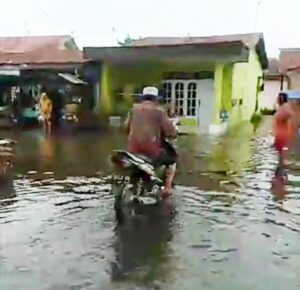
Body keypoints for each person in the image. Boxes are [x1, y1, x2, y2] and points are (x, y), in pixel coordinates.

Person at [125, 86, 177, 197]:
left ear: (143, 97)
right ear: (156, 98)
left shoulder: (133, 109)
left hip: (133, 150)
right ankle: (167, 188)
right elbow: (170, 132)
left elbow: (126, 127)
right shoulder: (159, 111)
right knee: (172, 161)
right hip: (151, 151)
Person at [273, 92, 294, 167]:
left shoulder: (285, 107)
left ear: (282, 98)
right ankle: (280, 166)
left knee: (281, 151)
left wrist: (283, 119)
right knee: (279, 151)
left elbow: (290, 114)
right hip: (280, 132)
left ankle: (281, 167)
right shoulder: (282, 107)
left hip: (282, 133)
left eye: (279, 98)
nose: (277, 99)